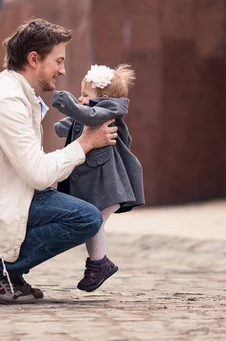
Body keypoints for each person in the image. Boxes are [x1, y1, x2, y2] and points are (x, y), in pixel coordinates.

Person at [0, 18, 119, 304]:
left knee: (74, 207)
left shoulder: (16, 95)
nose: (63, 69)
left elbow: (34, 170)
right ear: (34, 59)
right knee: (86, 217)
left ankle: (7, 270)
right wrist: (87, 142)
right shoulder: (6, 100)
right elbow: (39, 174)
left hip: (2, 188)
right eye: (58, 61)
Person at [51, 63, 145, 292]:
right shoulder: (92, 113)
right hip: (96, 184)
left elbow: (90, 116)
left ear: (102, 97)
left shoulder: (110, 110)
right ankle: (98, 264)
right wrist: (64, 125)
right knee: (92, 222)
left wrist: (68, 104)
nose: (81, 99)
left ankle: (99, 264)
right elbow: (76, 122)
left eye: (85, 95)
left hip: (109, 185)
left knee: (95, 222)